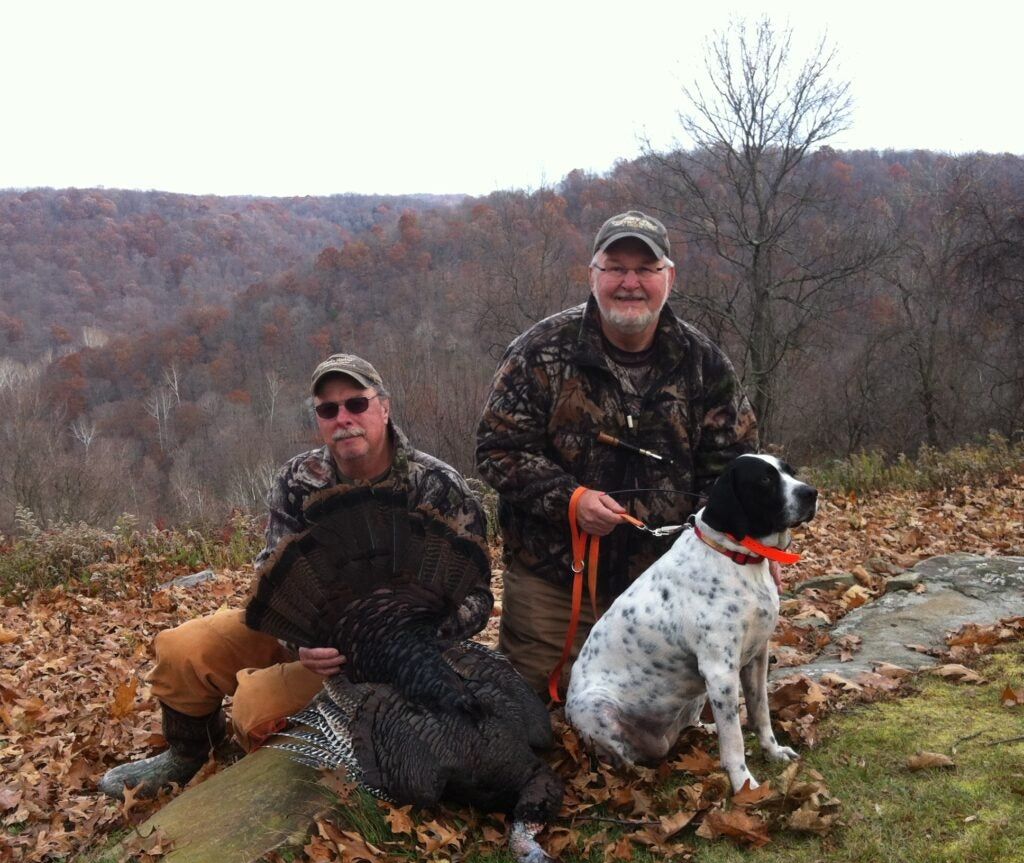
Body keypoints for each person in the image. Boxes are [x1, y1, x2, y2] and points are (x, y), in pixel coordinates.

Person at [100, 354, 492, 799]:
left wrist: (407, 640)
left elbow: (477, 597)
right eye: (328, 410)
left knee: (254, 710)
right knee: (182, 648)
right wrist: (297, 643)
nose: (343, 419)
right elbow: (271, 571)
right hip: (310, 637)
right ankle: (188, 754)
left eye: (356, 404)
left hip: (386, 660)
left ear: (384, 407)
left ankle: (302, 757)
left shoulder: (436, 485)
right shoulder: (299, 478)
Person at [476, 210, 759, 694]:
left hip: (670, 586)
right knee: (536, 717)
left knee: (665, 724)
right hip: (556, 584)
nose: (631, 282)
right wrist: (570, 500)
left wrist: (739, 544)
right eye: (616, 268)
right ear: (593, 276)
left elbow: (736, 467)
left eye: (646, 269)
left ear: (668, 277)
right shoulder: (540, 351)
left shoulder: (704, 363)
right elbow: (497, 449)